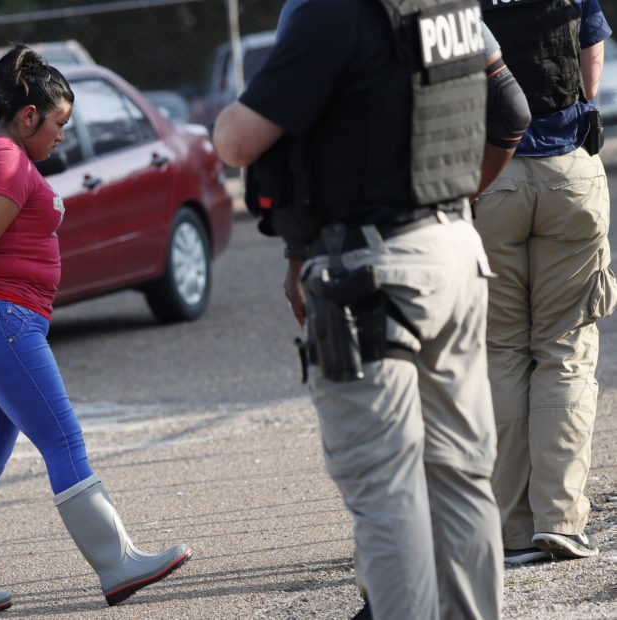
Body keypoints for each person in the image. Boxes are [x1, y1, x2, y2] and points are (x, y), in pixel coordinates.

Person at [212, 1, 529, 618]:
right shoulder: (449, 7)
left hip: (373, 273)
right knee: (462, 480)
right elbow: (509, 110)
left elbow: (237, 140)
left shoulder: (331, 14)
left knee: (388, 492)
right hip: (455, 251)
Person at [0, 44, 192, 616]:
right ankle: (117, 563)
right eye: (60, 123)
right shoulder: (7, 160)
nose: (63, 135)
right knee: (64, 442)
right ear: (29, 115)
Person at [477, 0, 617, 565]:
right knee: (566, 349)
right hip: (568, 176)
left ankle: (509, 530)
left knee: (500, 351)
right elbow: (590, 63)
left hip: (490, 178)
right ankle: (559, 519)